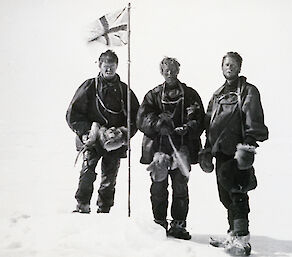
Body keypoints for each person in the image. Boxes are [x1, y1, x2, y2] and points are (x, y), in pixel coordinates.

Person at [200, 52, 268, 255]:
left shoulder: (248, 91)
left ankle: (242, 239)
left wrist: (248, 144)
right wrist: (207, 147)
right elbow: (209, 122)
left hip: (238, 151)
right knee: (225, 195)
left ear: (240, 67)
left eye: (233, 64)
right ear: (222, 68)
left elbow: (253, 118)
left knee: (238, 193)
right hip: (220, 151)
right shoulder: (218, 94)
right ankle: (233, 234)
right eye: (226, 64)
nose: (229, 67)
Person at [137, 57, 205, 240]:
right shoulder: (153, 95)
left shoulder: (190, 95)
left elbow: (200, 119)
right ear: (161, 72)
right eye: (166, 70)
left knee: (180, 187)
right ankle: (159, 222)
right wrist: (158, 124)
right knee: (158, 186)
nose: (170, 73)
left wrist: (188, 127)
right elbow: (141, 118)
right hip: (159, 148)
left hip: (181, 148)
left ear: (178, 70)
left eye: (173, 69)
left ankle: (179, 224)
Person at [66, 50, 139, 214]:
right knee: (87, 171)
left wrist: (124, 133)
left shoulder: (124, 91)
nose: (109, 70)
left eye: (112, 67)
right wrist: (86, 131)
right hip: (92, 139)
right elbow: (73, 114)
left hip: (114, 141)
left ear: (117, 66)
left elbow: (136, 117)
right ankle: (82, 204)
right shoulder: (89, 87)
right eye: (106, 66)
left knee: (110, 177)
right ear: (99, 66)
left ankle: (104, 208)